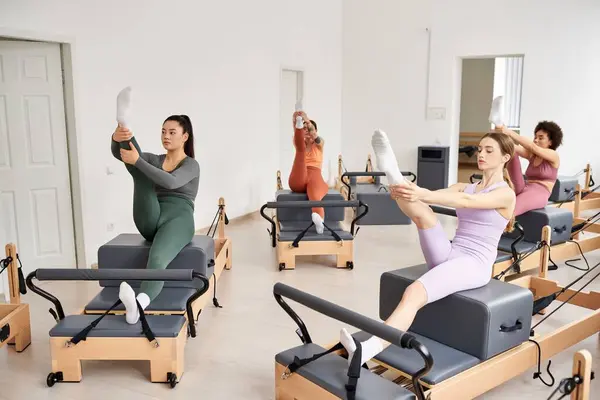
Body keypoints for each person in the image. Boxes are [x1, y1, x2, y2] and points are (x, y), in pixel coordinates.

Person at [339, 129, 516, 365]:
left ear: (505, 157)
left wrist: (420, 192)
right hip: (451, 253)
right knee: (422, 212)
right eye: (480, 149)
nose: (480, 154)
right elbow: (428, 197)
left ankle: (367, 350)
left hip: (474, 263)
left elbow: (467, 202)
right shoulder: (464, 186)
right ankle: (393, 175)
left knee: (413, 293)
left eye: (488, 150)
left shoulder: (505, 194)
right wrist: (406, 193)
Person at [110, 88, 200, 325]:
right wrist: (120, 135)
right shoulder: (154, 159)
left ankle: (137, 305)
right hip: (151, 216)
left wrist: (138, 161)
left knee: (158, 256)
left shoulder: (191, 165)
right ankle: (123, 120)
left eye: (172, 132)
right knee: (139, 173)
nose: (166, 136)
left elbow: (170, 182)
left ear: (185, 137)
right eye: (163, 131)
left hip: (178, 219)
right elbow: (119, 153)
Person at [489, 95, 563, 216]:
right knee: (511, 149)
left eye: (541, 138)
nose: (536, 140)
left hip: (539, 193)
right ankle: (498, 122)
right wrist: (500, 131)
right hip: (523, 187)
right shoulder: (532, 155)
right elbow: (514, 146)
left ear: (551, 141)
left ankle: (492, 230)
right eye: (535, 137)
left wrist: (508, 131)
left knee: (510, 210)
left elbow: (532, 147)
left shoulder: (553, 155)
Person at [288, 110, 329, 234]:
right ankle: (299, 124)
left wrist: (307, 120)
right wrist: (297, 121)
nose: (306, 130)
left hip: (314, 176)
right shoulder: (298, 143)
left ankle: (319, 221)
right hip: (299, 178)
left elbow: (316, 138)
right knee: (300, 150)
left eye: (307, 128)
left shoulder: (319, 144)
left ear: (313, 130)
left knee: (315, 193)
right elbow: (297, 137)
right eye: (303, 128)